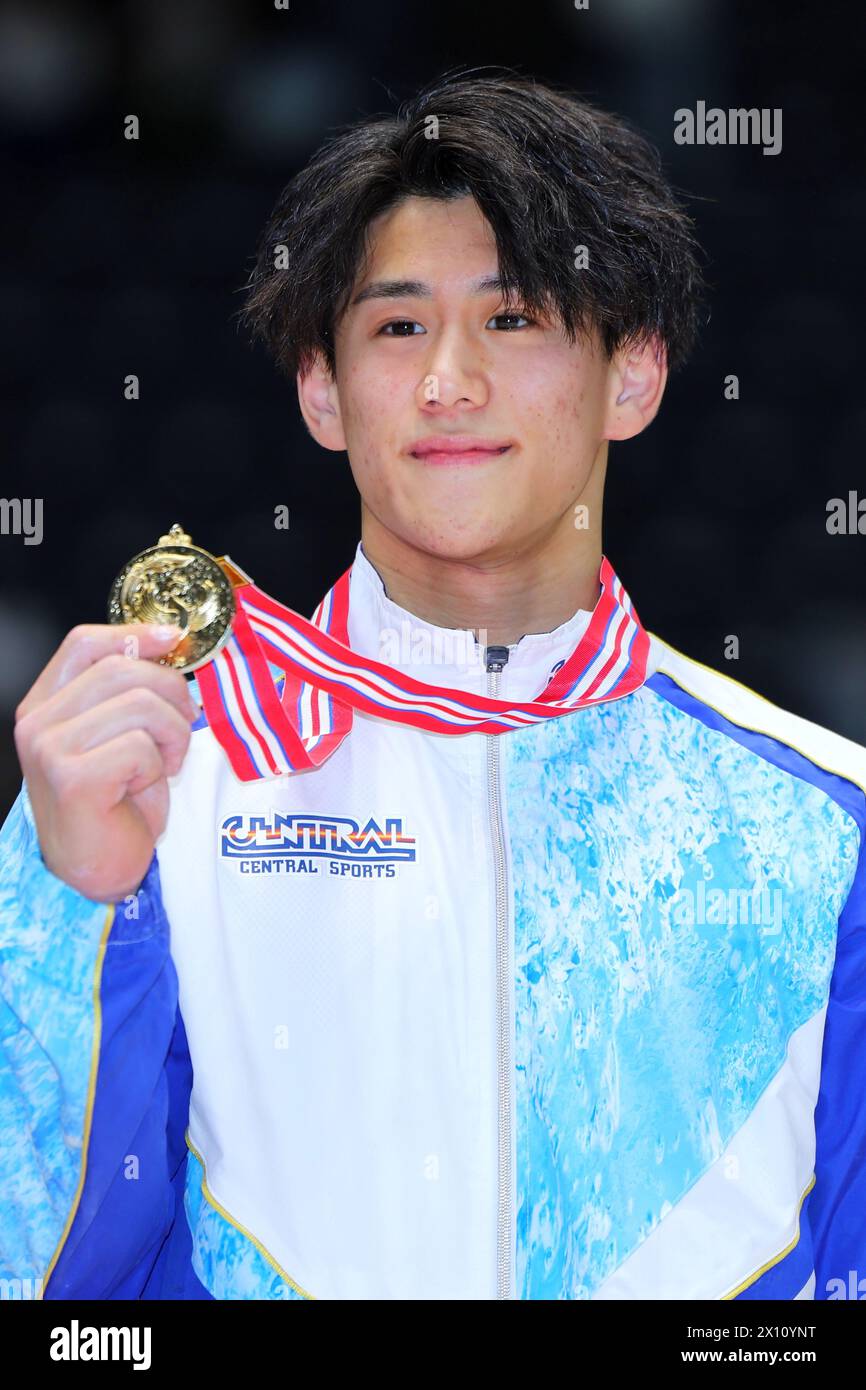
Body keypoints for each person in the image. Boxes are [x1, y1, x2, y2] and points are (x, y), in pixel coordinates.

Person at [2, 68, 864, 1303]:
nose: (446, 381)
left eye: (511, 320)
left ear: (632, 373)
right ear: (321, 388)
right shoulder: (166, 772)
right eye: (397, 326)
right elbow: (47, 1283)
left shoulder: (822, 828)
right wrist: (69, 907)